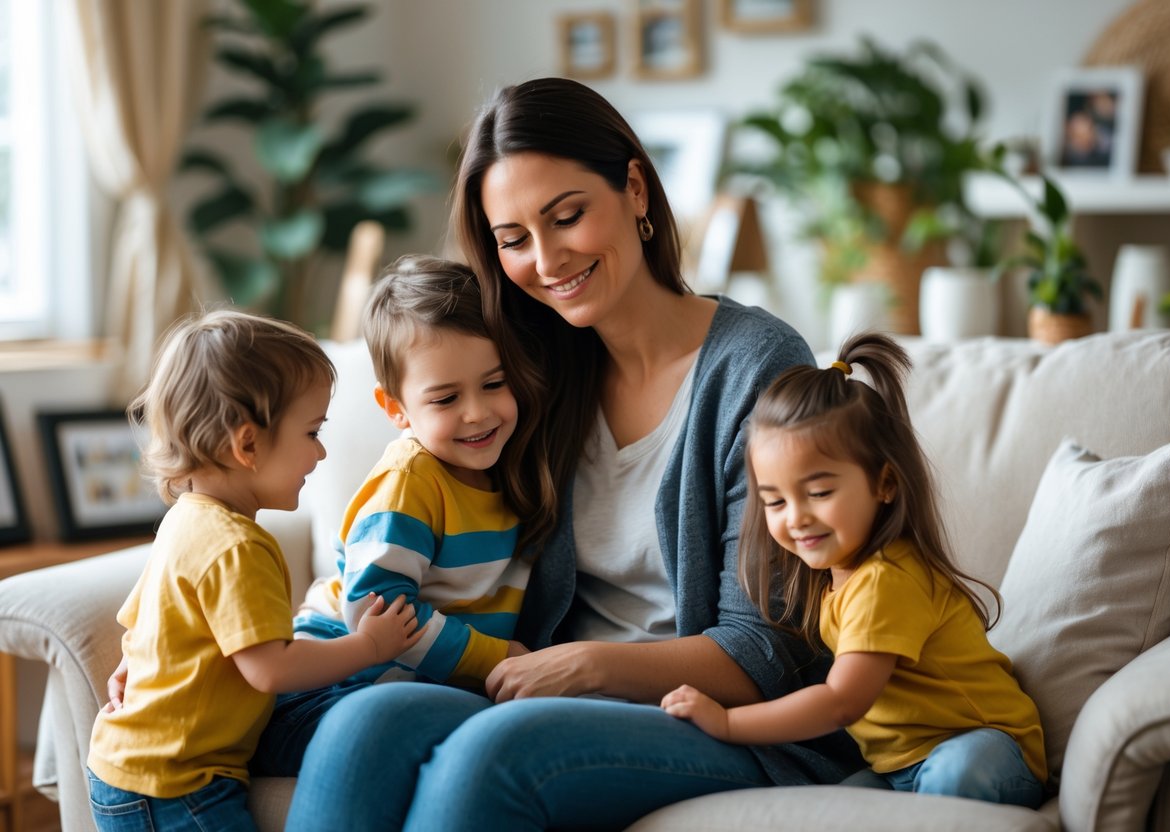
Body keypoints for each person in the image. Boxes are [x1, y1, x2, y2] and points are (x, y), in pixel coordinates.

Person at [279, 76, 863, 832]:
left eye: (567, 217)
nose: (547, 260)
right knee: (366, 724)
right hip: (546, 688)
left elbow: (763, 646)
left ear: (633, 189)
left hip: (721, 716)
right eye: (514, 239)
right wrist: (190, 643)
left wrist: (587, 665)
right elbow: (405, 520)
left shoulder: (754, 367)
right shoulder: (523, 375)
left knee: (496, 751)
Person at [661, 332, 1047, 808]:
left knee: (954, 774)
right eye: (775, 501)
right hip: (899, 768)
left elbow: (841, 702)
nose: (795, 517)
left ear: (884, 483)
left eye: (819, 493)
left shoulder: (886, 580)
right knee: (824, 808)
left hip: (987, 748)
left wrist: (727, 723)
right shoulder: (835, 583)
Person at [86, 310, 424, 832]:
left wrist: (138, 669)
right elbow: (271, 669)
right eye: (311, 432)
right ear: (247, 445)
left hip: (131, 769)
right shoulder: (237, 546)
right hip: (176, 783)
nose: (321, 451)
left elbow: (149, 622)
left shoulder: (187, 518)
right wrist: (371, 648)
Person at [293, 255, 535, 687]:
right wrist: (498, 657)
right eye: (445, 399)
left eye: (494, 384)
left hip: (419, 681)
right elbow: (377, 609)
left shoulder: (514, 462)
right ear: (396, 409)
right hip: (336, 674)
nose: (477, 414)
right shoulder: (409, 481)